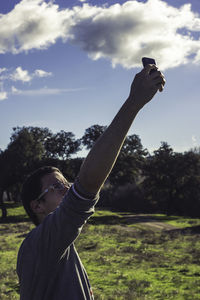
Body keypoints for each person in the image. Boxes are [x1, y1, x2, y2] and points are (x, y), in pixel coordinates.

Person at [17, 63, 165, 300]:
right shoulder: (39, 244)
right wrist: (134, 102)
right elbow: (85, 186)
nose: (67, 188)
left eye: (66, 182)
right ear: (37, 206)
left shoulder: (58, 247)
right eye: (57, 186)